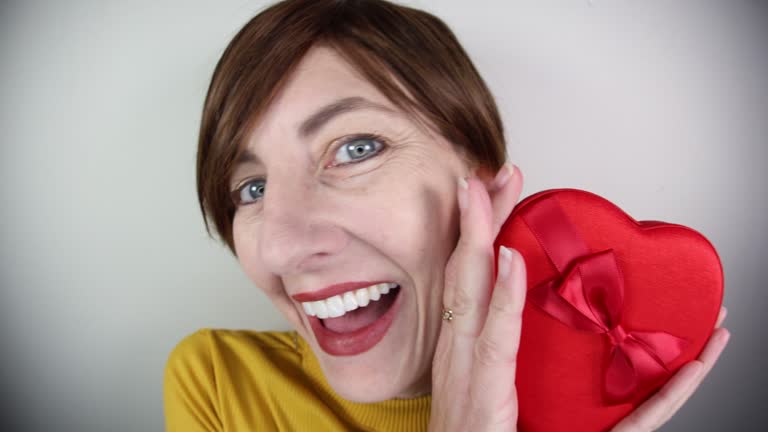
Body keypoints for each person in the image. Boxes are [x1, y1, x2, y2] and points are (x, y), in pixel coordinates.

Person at [163, 0, 730, 430]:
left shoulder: (584, 394)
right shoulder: (216, 384)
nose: (281, 248)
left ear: (480, 180)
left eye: (356, 148)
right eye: (252, 187)